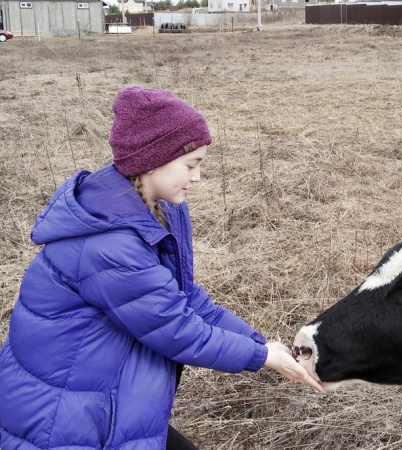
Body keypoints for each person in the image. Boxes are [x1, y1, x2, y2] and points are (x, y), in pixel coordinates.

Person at [0, 86, 323, 450]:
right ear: (153, 160)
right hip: (62, 419)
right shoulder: (110, 243)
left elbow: (184, 298)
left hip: (104, 395)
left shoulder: (157, 207)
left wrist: (261, 343)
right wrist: (261, 357)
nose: (197, 177)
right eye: (191, 165)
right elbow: (175, 328)